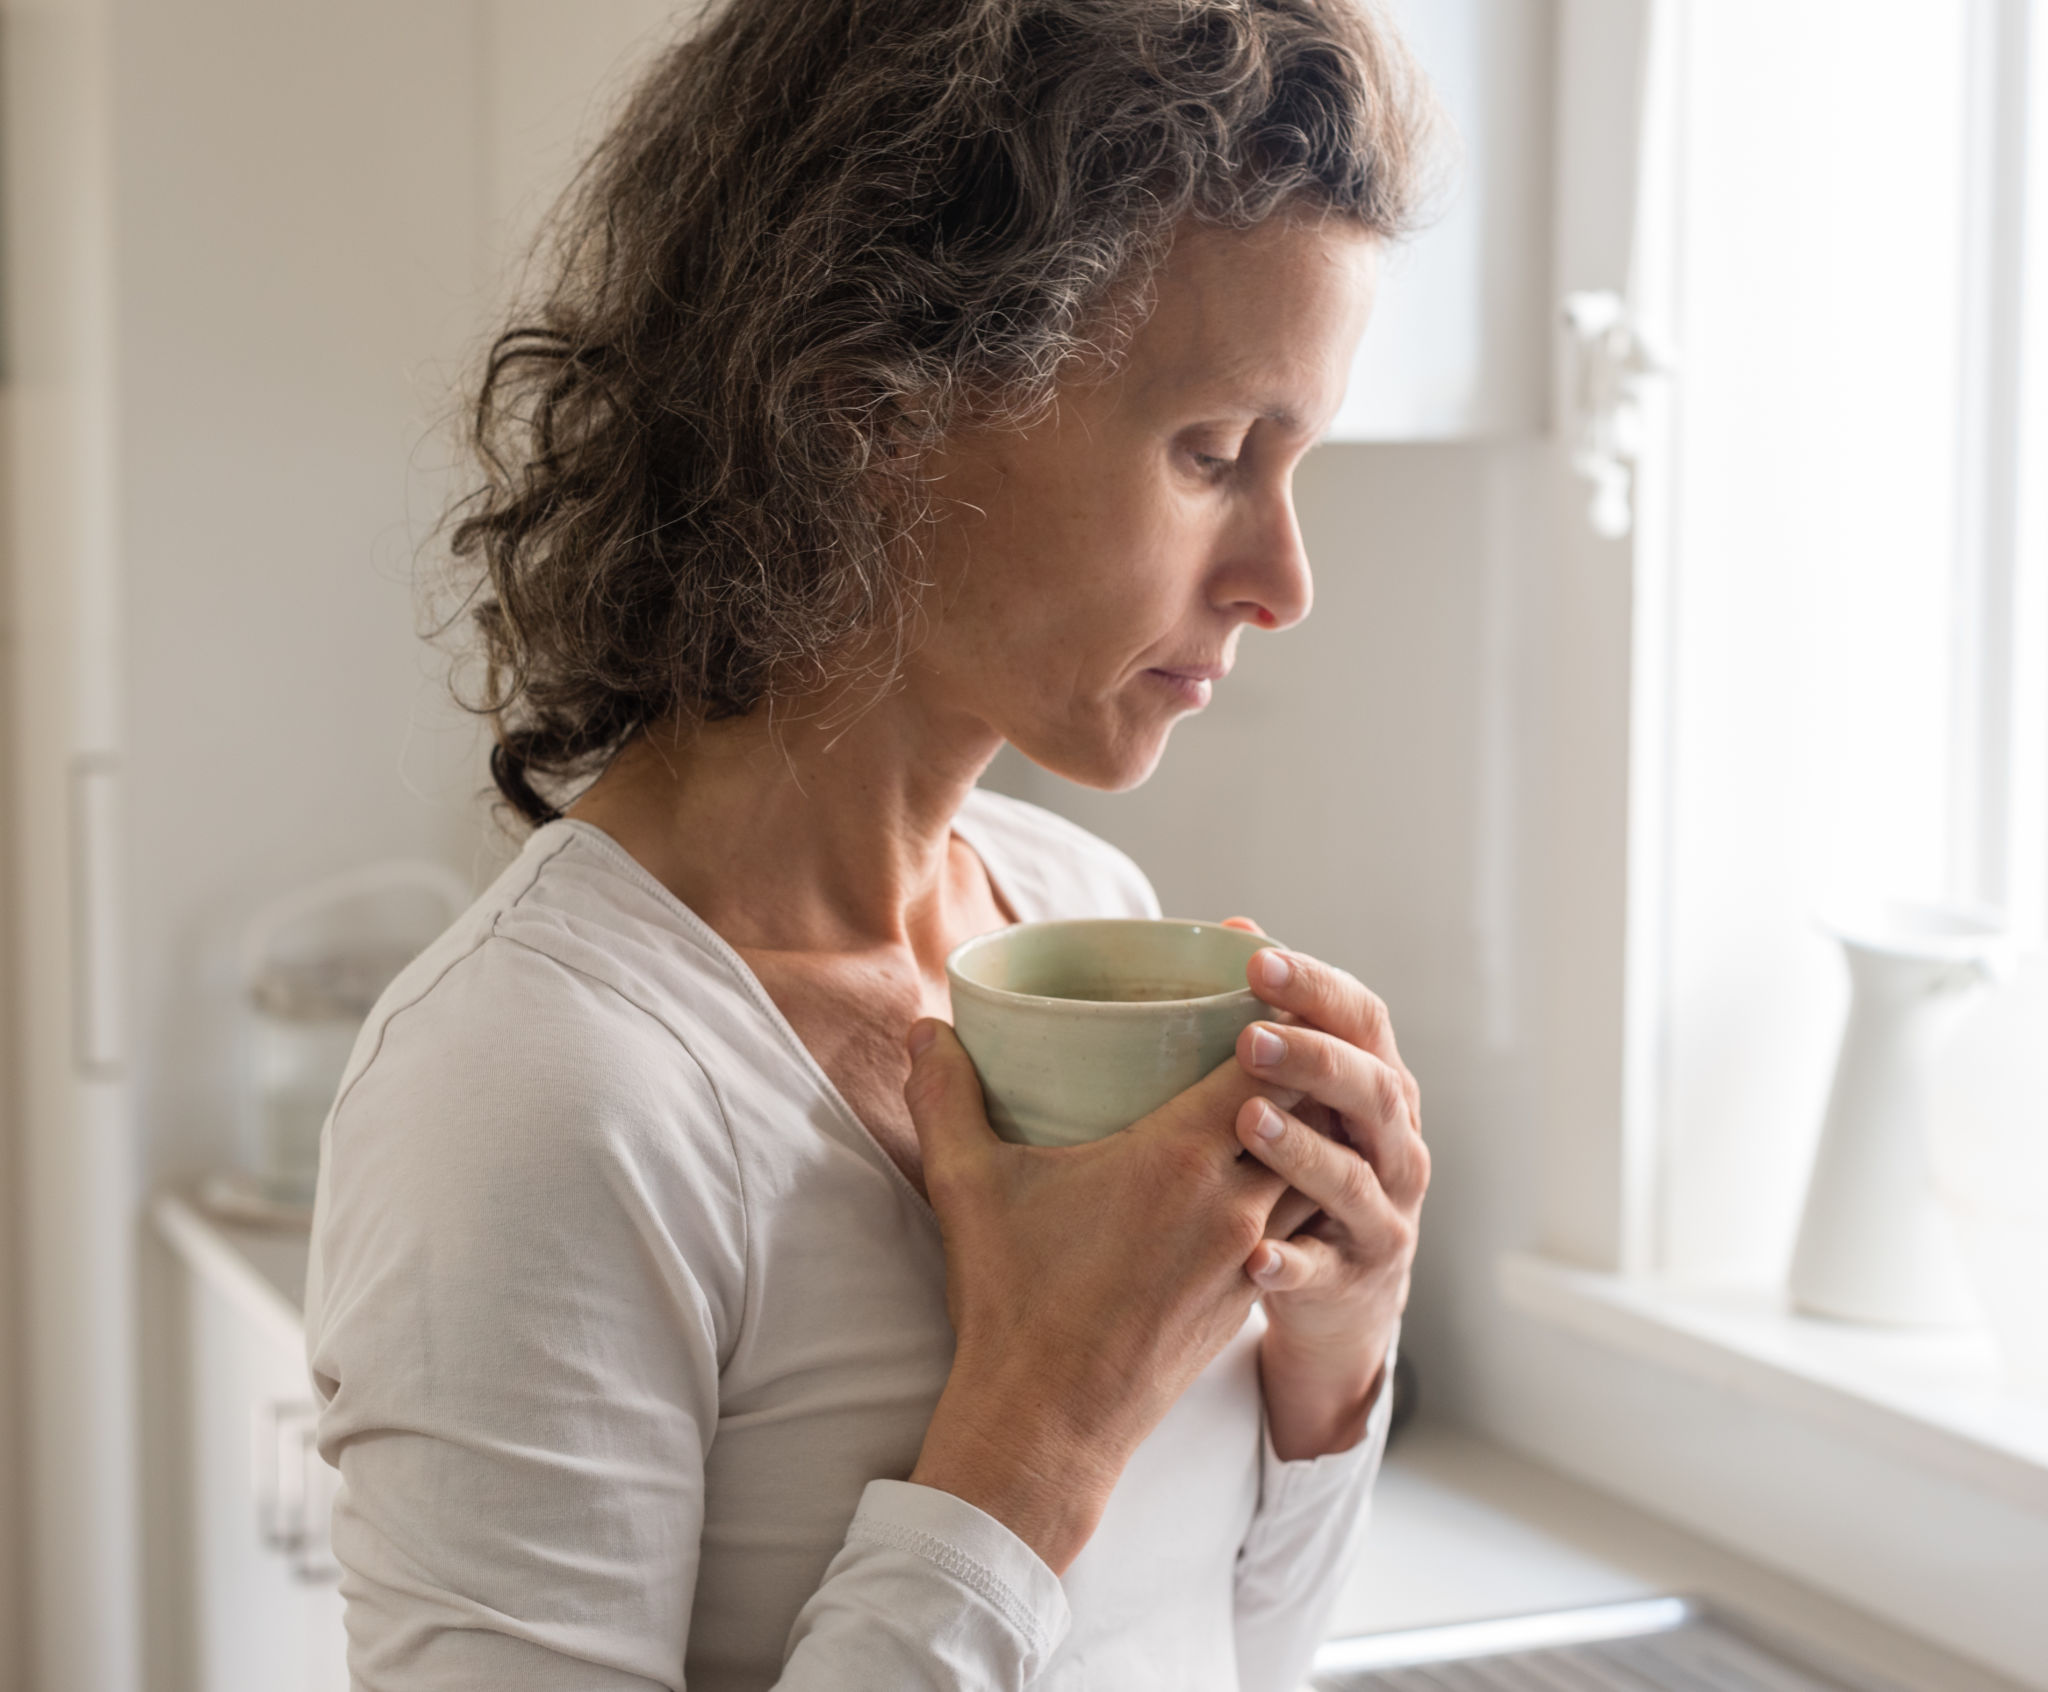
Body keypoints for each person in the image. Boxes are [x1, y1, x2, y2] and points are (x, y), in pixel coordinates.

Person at [305, 2, 1436, 1688]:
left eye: (1296, 463)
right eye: (1215, 454)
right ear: (874, 406)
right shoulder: (537, 1092)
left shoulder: (1082, 918)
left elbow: (1215, 1647)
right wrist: (1036, 1437)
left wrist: (1334, 1344)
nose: (1283, 578)